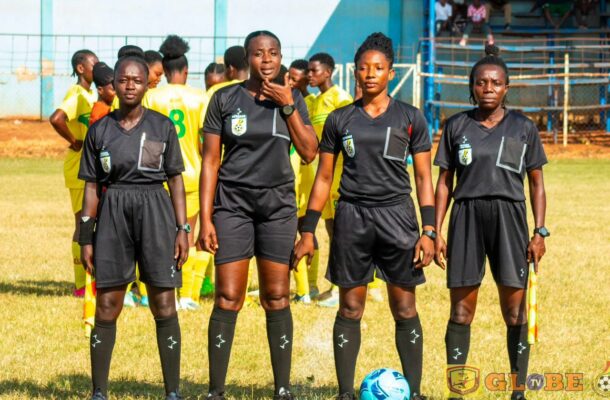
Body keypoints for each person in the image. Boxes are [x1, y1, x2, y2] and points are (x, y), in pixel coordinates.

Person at [294, 32, 435, 400]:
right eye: (363, 68)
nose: (370, 74)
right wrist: (308, 229)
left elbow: (423, 177)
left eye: (378, 68)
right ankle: (344, 393)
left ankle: (415, 391)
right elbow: (324, 177)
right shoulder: (341, 119)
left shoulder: (411, 117)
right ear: (354, 72)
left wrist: (430, 230)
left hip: (398, 218)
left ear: (390, 72)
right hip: (352, 219)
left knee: (404, 308)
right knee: (350, 307)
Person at [199, 30, 318, 400]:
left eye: (273, 53)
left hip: (277, 209)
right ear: (246, 59)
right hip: (232, 206)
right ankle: (216, 391)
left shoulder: (294, 97)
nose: (266, 60)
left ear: (282, 57)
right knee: (228, 296)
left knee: (277, 296)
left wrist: (286, 105)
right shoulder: (224, 99)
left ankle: (282, 389)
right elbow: (210, 162)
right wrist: (205, 219)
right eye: (258, 54)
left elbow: (310, 151)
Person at [433, 45, 548, 400]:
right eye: (481, 82)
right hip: (466, 217)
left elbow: (537, 183)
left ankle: (518, 390)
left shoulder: (523, 128)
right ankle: (458, 389)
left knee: (514, 310)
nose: (488, 88)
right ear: (471, 87)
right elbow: (443, 183)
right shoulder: (456, 125)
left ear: (506, 88)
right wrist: (434, 231)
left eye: (495, 83)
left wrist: (539, 230)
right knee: (462, 309)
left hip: (510, 219)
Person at [79, 54, 188, 400]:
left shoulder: (161, 126)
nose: (129, 86)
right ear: (114, 84)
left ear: (146, 85)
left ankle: (172, 391)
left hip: (156, 210)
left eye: (136, 80)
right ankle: (99, 391)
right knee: (107, 303)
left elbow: (176, 181)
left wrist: (182, 229)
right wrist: (86, 238)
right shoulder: (100, 129)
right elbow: (92, 187)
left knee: (163, 303)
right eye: (123, 80)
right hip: (114, 212)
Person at [143, 35, 210, 310]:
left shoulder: (151, 96)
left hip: (159, 178)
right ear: (185, 71)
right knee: (189, 236)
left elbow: (146, 139)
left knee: (158, 237)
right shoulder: (199, 97)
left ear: (166, 71)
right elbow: (206, 142)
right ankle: (189, 296)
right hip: (191, 177)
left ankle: (157, 293)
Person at [49, 49, 99, 297]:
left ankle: (89, 280)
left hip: (89, 168)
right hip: (78, 168)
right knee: (83, 224)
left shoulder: (90, 94)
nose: (97, 69)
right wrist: (74, 141)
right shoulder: (76, 93)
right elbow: (57, 118)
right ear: (81, 68)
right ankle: (81, 286)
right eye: (94, 65)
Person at [307, 52, 353, 307]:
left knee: (342, 232)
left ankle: (346, 286)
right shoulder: (315, 102)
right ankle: (335, 283)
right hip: (322, 174)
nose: (310, 75)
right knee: (331, 230)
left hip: (341, 176)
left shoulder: (340, 98)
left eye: (315, 71)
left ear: (328, 72)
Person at [287, 58, 317, 304]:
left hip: (302, 176)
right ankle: (307, 287)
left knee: (301, 230)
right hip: (293, 175)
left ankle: (306, 289)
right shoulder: (287, 99)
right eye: (289, 77)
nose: (290, 82)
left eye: (296, 79)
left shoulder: (301, 104)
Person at [89, 62, 115, 126]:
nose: (117, 93)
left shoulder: (108, 108)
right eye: (114, 90)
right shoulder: (99, 113)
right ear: (100, 90)